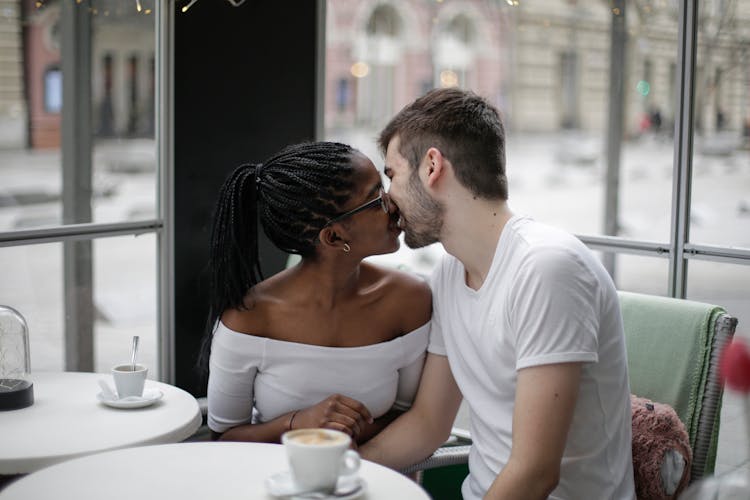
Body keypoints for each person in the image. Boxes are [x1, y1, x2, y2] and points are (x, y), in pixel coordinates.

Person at [360, 88, 636, 499]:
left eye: (392, 175)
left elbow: (535, 473)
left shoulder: (546, 269)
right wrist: (340, 467)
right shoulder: (450, 274)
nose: (387, 198)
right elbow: (428, 424)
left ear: (432, 166)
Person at [200, 141, 431, 445]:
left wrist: (343, 435)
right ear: (334, 236)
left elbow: (410, 416)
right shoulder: (249, 318)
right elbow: (223, 438)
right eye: (376, 199)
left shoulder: (410, 301)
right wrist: (298, 423)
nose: (394, 203)